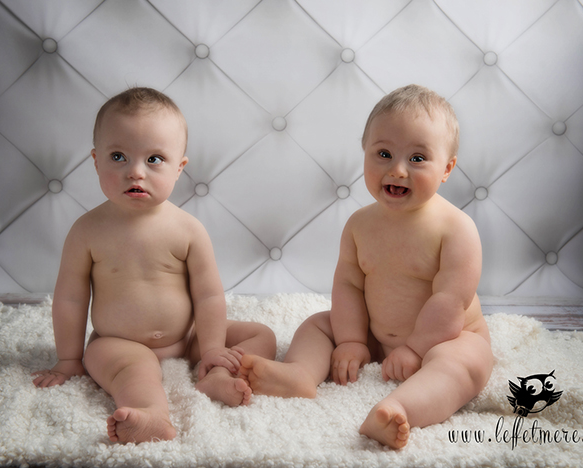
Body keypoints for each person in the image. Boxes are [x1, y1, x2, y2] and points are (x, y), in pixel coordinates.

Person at [240, 84, 493, 449]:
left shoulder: (456, 229)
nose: (398, 170)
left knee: (467, 362)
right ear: (364, 155)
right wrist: (352, 340)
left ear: (447, 169)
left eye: (418, 159)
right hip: (375, 335)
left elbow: (450, 301)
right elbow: (348, 285)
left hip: (444, 338)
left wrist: (416, 350)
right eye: (384, 154)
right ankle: (299, 374)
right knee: (318, 325)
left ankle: (399, 409)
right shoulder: (360, 224)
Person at [32, 87, 276, 444]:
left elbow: (208, 296)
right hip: (118, 342)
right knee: (135, 371)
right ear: (96, 161)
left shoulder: (188, 229)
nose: (135, 172)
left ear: (179, 168)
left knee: (262, 336)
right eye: (118, 157)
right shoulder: (87, 231)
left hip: (187, 336)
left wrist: (210, 348)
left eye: (154, 159)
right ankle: (150, 413)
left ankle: (215, 376)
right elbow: (70, 299)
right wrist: (69, 359)